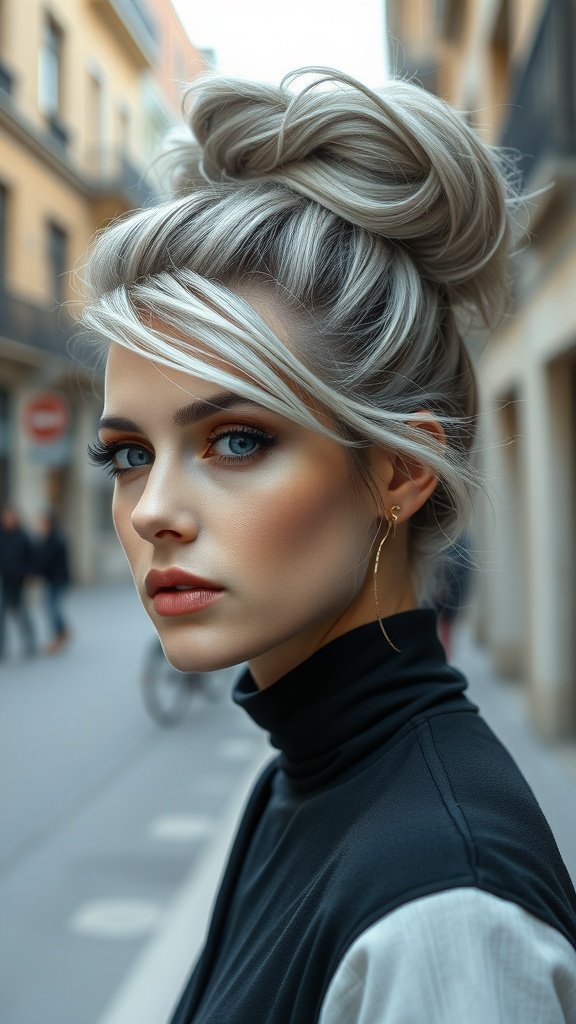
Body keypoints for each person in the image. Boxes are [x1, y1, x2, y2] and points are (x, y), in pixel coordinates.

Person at [82, 68, 576, 1022]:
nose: (152, 511)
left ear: (398, 470)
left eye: (236, 440)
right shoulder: (299, 780)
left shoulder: (445, 915)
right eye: (129, 454)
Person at [0, 504, 36, 660]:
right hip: (5, 582)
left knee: (22, 614)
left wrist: (29, 574)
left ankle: (30, 643)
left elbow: (31, 557)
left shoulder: (23, 536)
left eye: (10, 516)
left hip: (19, 581)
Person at [34, 511, 71, 654]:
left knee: (52, 607)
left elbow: (46, 560)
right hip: (51, 580)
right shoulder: (47, 539)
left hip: (58, 580)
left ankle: (60, 634)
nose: (40, 526)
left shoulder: (56, 540)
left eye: (42, 523)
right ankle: (62, 632)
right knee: (51, 607)